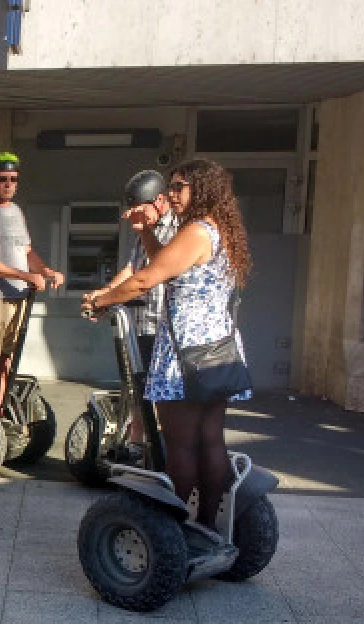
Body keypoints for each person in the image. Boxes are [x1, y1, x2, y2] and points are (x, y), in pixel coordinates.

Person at [82, 158, 253, 531]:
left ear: (201, 191)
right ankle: (209, 524)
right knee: (210, 439)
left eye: (178, 187)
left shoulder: (195, 232)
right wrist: (146, 232)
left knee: (181, 445)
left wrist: (101, 300)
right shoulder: (218, 229)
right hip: (217, 349)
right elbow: (164, 261)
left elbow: (146, 280)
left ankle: (175, 528)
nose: (171, 194)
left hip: (184, 352)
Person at [83, 169, 180, 445]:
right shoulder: (145, 232)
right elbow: (132, 269)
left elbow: (151, 275)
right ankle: (137, 443)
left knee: (157, 392)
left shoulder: (177, 230)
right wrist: (105, 292)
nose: (136, 216)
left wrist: (106, 299)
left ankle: (156, 448)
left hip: (162, 326)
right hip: (140, 323)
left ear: (160, 201)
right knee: (136, 387)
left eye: (141, 209)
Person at [0, 151, 63, 406]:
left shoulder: (17, 211)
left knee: (5, 358)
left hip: (17, 296)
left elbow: (26, 251)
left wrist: (46, 271)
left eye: (13, 179)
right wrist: (24, 275)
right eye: (2, 179)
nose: (8, 184)